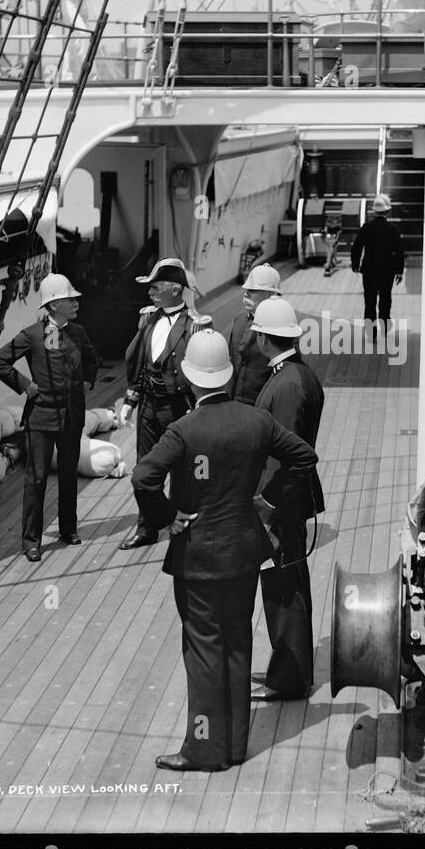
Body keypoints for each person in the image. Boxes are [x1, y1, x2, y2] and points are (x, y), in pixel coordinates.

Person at [133, 330, 318, 772]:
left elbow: (143, 477)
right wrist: (270, 502)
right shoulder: (256, 420)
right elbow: (304, 458)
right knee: (237, 646)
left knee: (202, 653)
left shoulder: (183, 430)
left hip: (197, 559)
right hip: (243, 554)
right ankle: (235, 745)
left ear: (190, 377)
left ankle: (203, 749)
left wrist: (169, 516)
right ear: (228, 375)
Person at [0, 273, 98, 562]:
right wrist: (25, 385)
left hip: (71, 418)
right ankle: (31, 541)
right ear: (52, 306)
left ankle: (68, 530)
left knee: (68, 474)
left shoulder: (78, 333)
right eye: (68, 299)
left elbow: (91, 359)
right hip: (40, 418)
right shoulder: (33, 335)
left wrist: (87, 382)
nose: (75, 302)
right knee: (36, 479)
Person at [249, 297, 325, 701]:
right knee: (284, 582)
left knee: (285, 587)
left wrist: (271, 504)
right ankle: (286, 668)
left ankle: (291, 678)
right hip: (284, 500)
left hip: (282, 503)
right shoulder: (296, 375)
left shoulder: (289, 383)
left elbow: (291, 455)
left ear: (264, 338)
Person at [118, 257, 212, 550]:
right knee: (145, 467)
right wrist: (130, 401)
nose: (150, 293)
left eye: (155, 287)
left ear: (174, 289)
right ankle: (146, 528)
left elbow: (204, 366)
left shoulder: (197, 325)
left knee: (184, 469)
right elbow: (138, 362)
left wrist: (203, 407)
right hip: (148, 404)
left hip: (179, 407)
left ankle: (184, 526)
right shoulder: (147, 318)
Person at [225, 263, 281, 406]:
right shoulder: (240, 319)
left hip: (261, 406)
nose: (246, 293)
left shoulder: (282, 327)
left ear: (270, 294)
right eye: (246, 289)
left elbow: (284, 374)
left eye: (253, 290)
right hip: (234, 403)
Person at [350, 193, 405, 336]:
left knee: (370, 301)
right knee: (385, 298)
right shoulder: (393, 229)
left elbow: (356, 247)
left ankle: (371, 332)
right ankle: (385, 325)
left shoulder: (367, 227)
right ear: (388, 211)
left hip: (369, 270)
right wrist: (399, 271)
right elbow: (399, 251)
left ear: (375, 210)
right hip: (388, 270)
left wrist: (355, 264)